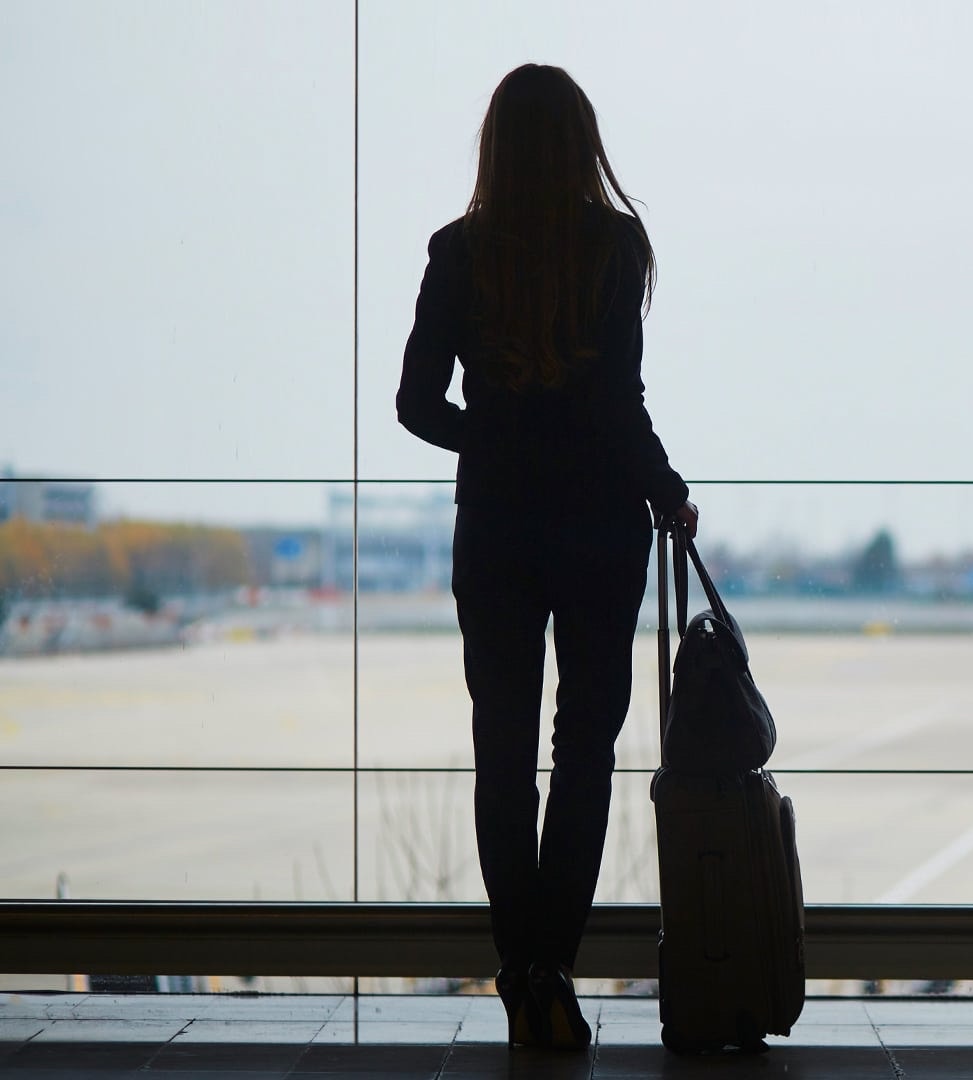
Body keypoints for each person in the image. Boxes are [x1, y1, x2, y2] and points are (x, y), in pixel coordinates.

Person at [397, 63, 698, 1050]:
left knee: (503, 756)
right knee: (584, 757)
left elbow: (415, 404)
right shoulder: (615, 247)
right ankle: (551, 970)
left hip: (496, 527)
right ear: (582, 145)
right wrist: (665, 489)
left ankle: (518, 969)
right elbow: (619, 402)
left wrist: (490, 440)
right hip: (600, 529)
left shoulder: (458, 252)